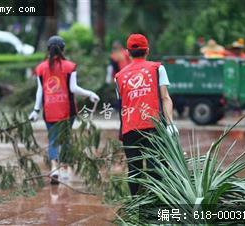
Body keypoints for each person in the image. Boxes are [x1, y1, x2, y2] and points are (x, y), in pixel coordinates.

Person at [29, 36, 100, 184]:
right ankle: (65, 170)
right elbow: (73, 88)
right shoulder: (70, 66)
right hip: (67, 110)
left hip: (49, 110)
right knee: (66, 139)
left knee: (53, 139)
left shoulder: (41, 68)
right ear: (63, 49)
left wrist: (35, 110)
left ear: (48, 49)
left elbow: (40, 91)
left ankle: (54, 168)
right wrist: (90, 94)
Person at [114, 34, 179, 196]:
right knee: (155, 168)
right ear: (147, 50)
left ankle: (137, 207)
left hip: (129, 129)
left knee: (134, 171)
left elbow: (123, 104)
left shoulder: (119, 77)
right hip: (154, 126)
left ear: (128, 52)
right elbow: (165, 98)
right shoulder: (158, 68)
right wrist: (170, 124)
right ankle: (152, 209)